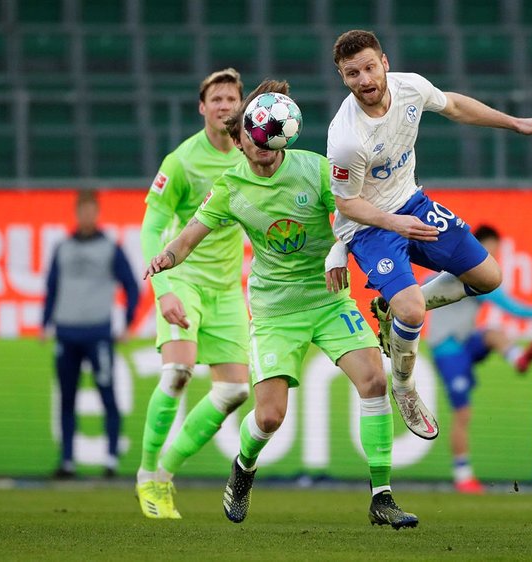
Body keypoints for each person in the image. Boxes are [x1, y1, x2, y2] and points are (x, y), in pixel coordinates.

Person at [145, 79, 419, 530]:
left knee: (373, 380)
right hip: (275, 312)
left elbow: (350, 213)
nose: (266, 145)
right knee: (269, 416)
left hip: (328, 301)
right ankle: (243, 468)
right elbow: (188, 236)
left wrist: (344, 252)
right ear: (240, 141)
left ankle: (381, 496)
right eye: (256, 137)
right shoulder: (229, 188)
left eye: (274, 136)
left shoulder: (314, 169)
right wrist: (166, 258)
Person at [326, 29, 532, 441]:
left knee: (489, 278)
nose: (363, 79)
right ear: (343, 77)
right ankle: (405, 386)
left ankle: (388, 307)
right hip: (369, 227)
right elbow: (346, 205)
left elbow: (455, 107)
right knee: (413, 311)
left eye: (369, 67)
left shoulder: (410, 88)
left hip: (413, 203)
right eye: (351, 73)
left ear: (385, 63)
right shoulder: (345, 139)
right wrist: (393, 224)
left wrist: (514, 123)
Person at [136, 68, 251, 519]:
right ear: (202, 108)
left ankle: (165, 473)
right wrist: (163, 290)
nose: (224, 106)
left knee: (235, 391)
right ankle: (145, 475)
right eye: (216, 100)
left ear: (241, 107)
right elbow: (151, 227)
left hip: (226, 289)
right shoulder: (181, 161)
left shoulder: (251, 158)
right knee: (179, 369)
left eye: (231, 99)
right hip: (183, 279)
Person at [426, 224, 532, 494]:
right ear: (478, 246)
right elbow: (507, 303)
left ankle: (517, 359)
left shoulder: (475, 273)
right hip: (447, 349)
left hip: (465, 343)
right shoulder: (465, 270)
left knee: (493, 333)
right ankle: (463, 476)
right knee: (462, 413)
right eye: (490, 250)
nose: (493, 257)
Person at [40, 189, 140, 479]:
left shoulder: (110, 247)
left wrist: (128, 322)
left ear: (96, 213)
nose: (86, 216)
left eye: (90, 211)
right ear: (76, 212)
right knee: (67, 399)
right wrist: (45, 322)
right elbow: (51, 287)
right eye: (81, 211)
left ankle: (110, 459)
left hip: (98, 333)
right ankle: (67, 461)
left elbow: (131, 286)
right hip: (67, 332)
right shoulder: (63, 247)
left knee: (107, 396)